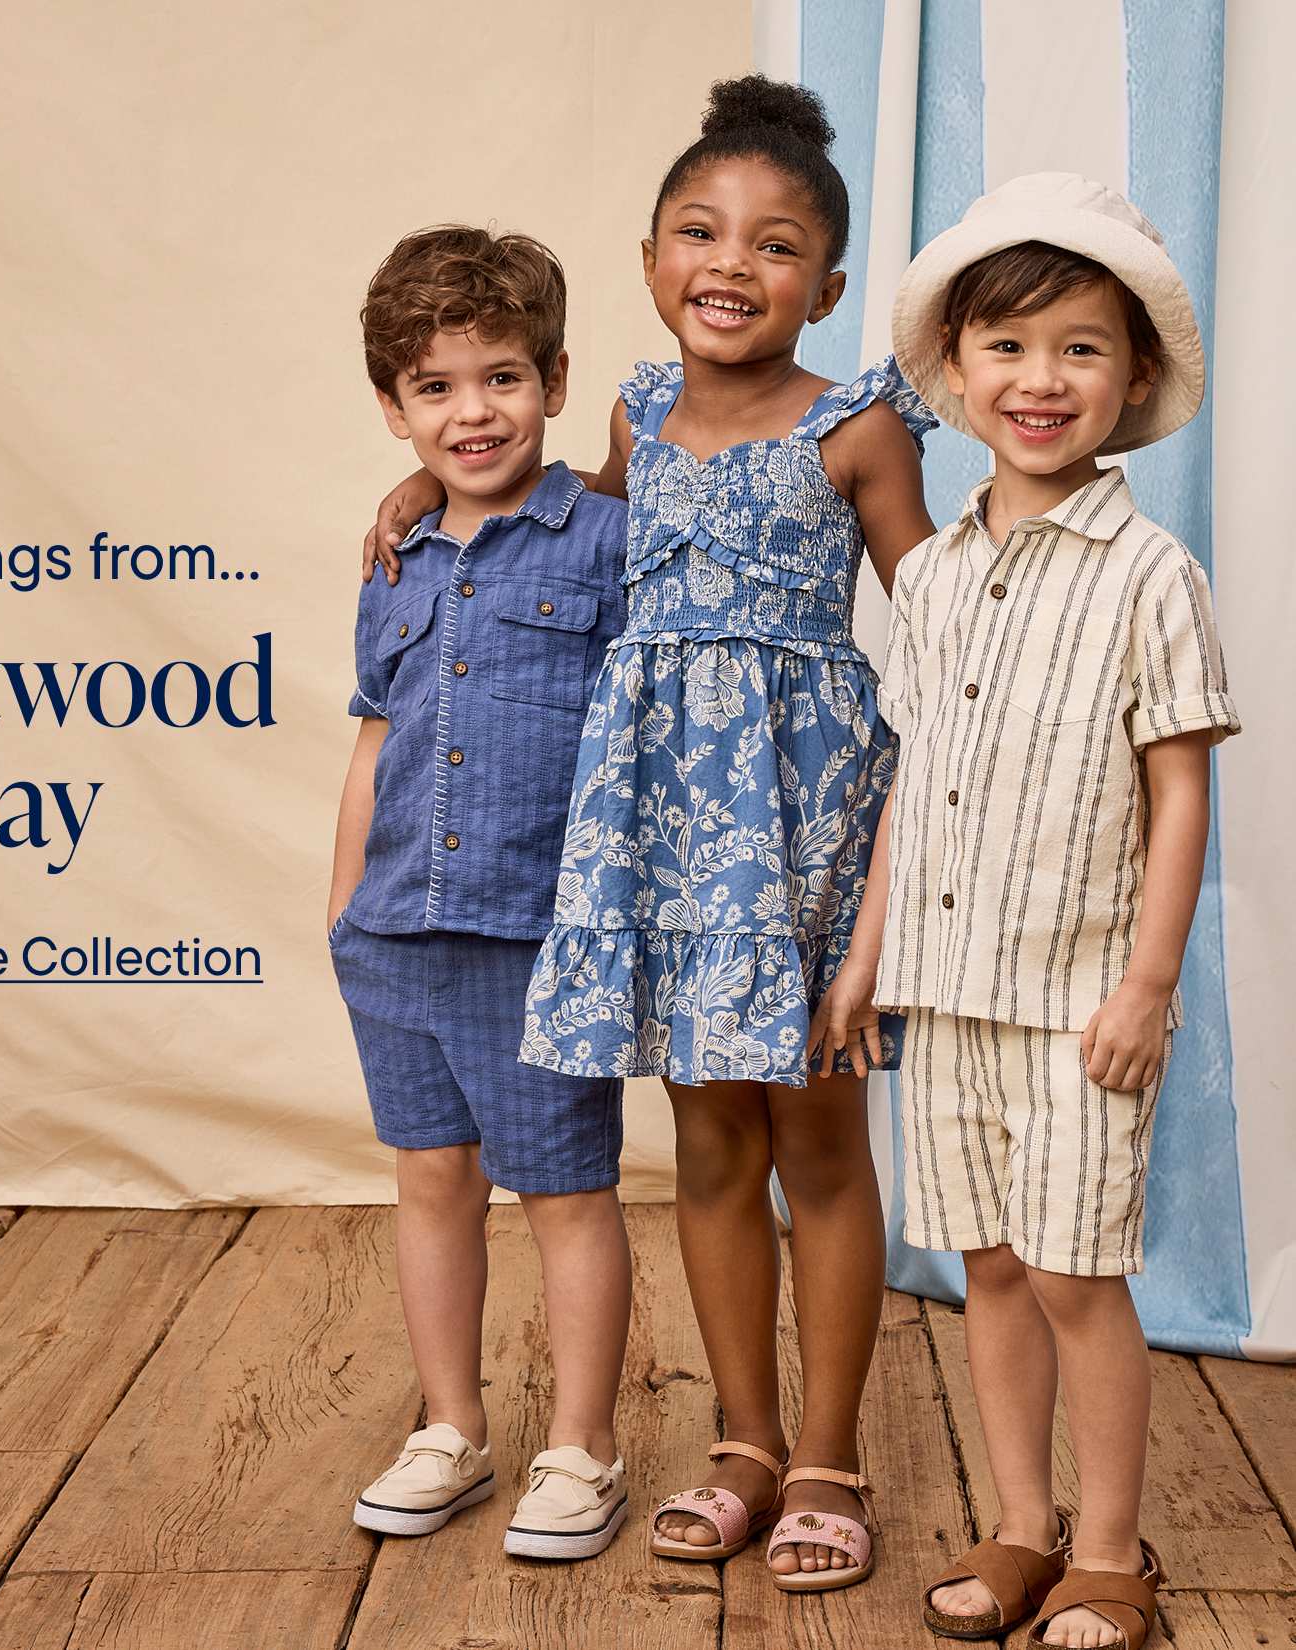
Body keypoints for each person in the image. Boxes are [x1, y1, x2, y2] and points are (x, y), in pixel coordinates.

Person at [365, 77, 936, 1590]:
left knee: (818, 1139)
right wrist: (432, 472)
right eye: (701, 230)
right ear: (649, 258)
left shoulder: (861, 427)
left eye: (776, 242)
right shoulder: (629, 410)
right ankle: (744, 1442)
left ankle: (830, 1454)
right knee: (709, 1143)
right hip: (660, 835)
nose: (732, 262)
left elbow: (946, 629)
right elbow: (558, 523)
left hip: (805, 830)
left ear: (827, 282)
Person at [812, 172, 1241, 1647]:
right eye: (1007, 346)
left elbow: (1179, 793)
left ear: (1132, 377)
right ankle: (1019, 1525)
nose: (1040, 379)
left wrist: (1148, 981)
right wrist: (866, 955)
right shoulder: (934, 579)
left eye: (1079, 348)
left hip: (1079, 1001)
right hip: (946, 993)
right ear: (956, 369)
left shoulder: (1150, 575)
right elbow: (915, 781)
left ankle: (1110, 1550)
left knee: (1073, 1270)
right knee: (989, 1266)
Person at [330, 225, 635, 1560]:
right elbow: (375, 739)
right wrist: (343, 907)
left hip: (537, 931)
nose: (474, 411)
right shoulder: (396, 560)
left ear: (555, 379)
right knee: (431, 1179)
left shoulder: (608, 540)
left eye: (502, 377)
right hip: (396, 930)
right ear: (395, 407)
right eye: (437, 388)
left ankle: (582, 1448)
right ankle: (452, 1427)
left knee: (565, 1190)